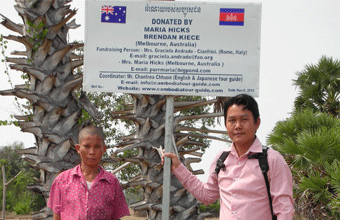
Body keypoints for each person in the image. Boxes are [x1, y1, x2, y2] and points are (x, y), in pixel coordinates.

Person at [163, 94, 294, 220]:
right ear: (226, 124)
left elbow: (284, 209)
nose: (238, 126)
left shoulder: (272, 160)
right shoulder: (221, 159)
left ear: (257, 123)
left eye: (244, 119)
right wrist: (178, 167)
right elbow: (207, 196)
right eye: (232, 120)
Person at [48, 125, 130, 220]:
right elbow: (57, 217)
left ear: (104, 149)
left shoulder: (112, 182)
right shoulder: (62, 180)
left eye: (97, 146)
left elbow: (116, 217)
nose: (92, 152)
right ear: (78, 148)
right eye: (86, 146)